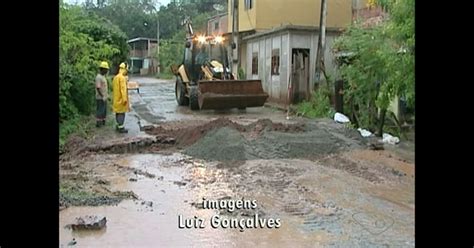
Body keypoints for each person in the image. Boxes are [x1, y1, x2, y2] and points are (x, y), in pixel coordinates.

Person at [112, 62, 129, 133]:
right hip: (121, 99)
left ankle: (118, 125)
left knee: (117, 113)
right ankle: (121, 127)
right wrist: (125, 99)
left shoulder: (116, 77)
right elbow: (123, 89)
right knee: (121, 113)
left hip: (116, 99)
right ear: (124, 69)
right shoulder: (122, 78)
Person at [95, 61, 109, 127]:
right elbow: (98, 88)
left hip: (104, 97)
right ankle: (98, 123)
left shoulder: (103, 76)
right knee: (100, 110)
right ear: (102, 69)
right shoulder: (98, 77)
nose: (107, 71)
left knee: (104, 110)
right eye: (106, 69)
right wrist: (102, 96)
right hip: (100, 97)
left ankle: (103, 121)